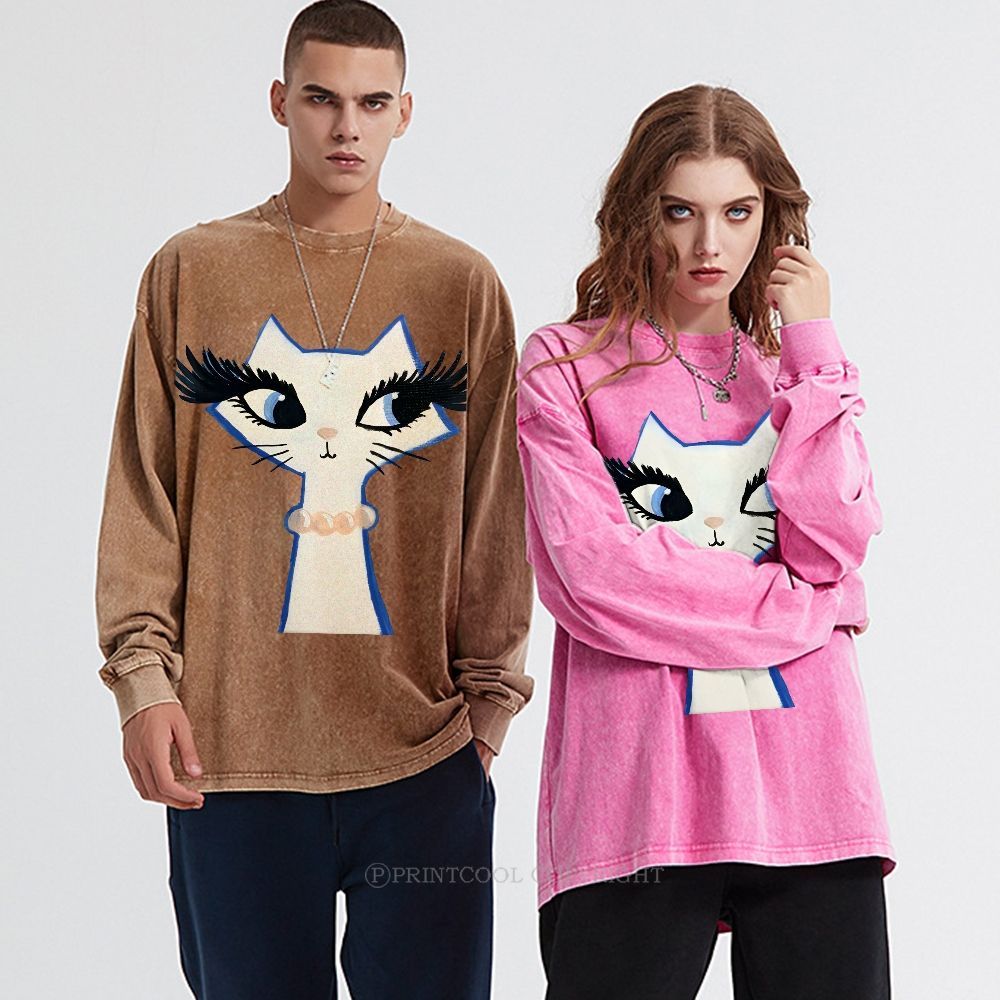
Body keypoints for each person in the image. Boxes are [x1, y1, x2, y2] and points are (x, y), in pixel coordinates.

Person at [94, 2, 533, 997]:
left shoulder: (460, 284)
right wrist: (143, 683)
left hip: (424, 756)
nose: (346, 127)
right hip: (231, 753)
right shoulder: (193, 270)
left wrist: (488, 712)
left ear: (405, 113)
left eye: (372, 103)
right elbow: (143, 489)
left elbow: (495, 514)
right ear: (279, 101)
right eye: (323, 99)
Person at [514, 83, 895, 999]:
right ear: (637, 213)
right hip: (638, 802)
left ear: (773, 218)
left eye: (738, 212)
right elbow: (597, 577)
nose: (709, 245)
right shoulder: (566, 366)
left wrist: (814, 345)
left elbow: (834, 543)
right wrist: (809, 609)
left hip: (811, 791)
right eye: (680, 211)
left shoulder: (792, 372)